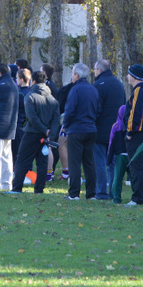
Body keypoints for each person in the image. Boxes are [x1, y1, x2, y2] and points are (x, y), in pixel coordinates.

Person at [11, 70, 60, 194]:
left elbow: (32, 118)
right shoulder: (53, 100)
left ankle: (17, 187)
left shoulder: (30, 96)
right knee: (42, 163)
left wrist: (44, 130)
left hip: (32, 133)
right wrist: (51, 134)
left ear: (33, 81)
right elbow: (56, 120)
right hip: (45, 136)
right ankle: (39, 189)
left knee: (22, 160)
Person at [62, 63, 99, 200]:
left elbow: (70, 110)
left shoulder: (75, 90)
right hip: (91, 128)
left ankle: (74, 193)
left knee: (74, 162)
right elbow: (98, 109)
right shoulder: (93, 89)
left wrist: (66, 125)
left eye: (72, 74)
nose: (72, 76)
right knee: (89, 162)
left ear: (77, 75)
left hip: (76, 129)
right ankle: (91, 193)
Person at [122, 64, 143, 206]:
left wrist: (130, 131)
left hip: (137, 133)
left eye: (129, 74)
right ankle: (142, 196)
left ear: (135, 76)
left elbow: (135, 113)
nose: (127, 76)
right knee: (140, 165)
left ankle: (138, 198)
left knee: (136, 165)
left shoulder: (138, 91)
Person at [92, 60, 126, 200]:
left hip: (100, 129)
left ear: (99, 70)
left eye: (94, 69)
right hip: (116, 130)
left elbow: (96, 108)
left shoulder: (98, 85)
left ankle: (100, 191)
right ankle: (112, 191)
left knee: (99, 162)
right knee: (112, 163)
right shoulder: (119, 84)